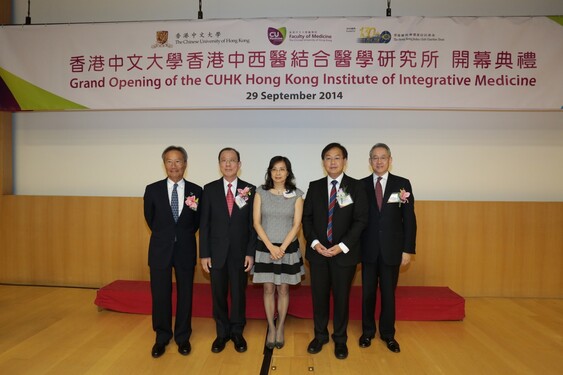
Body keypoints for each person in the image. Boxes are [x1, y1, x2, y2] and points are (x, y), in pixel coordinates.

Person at [302, 142, 368, 360]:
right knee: (319, 298)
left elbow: (360, 220)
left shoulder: (356, 187)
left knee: (341, 299)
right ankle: (320, 336)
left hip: (344, 255)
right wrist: (314, 244)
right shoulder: (315, 186)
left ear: (345, 161)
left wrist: (342, 246)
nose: (332, 162)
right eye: (328, 158)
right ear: (323, 162)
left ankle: (340, 339)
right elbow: (307, 218)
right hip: (318, 254)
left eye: (337, 157)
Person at [143, 145, 202, 358]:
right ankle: (162, 336)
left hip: (185, 249)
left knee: (186, 294)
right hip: (160, 250)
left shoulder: (197, 191)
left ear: (185, 164)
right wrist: (167, 236)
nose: (174, 165)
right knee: (160, 295)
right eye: (169, 161)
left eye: (178, 161)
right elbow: (150, 219)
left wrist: (181, 236)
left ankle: (183, 336)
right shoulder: (152, 189)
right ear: (164, 164)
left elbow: (196, 222)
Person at [359, 143, 417, 353]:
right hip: (368, 250)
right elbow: (357, 220)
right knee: (367, 294)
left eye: (383, 157)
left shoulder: (402, 184)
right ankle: (367, 332)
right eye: (375, 157)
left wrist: (407, 249)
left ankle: (388, 334)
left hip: (392, 250)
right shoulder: (361, 185)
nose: (379, 161)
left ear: (390, 160)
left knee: (388, 294)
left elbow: (409, 219)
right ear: (369, 161)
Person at [199, 147, 257, 354]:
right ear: (219, 164)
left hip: (241, 254)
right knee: (218, 294)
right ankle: (222, 333)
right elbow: (204, 225)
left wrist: (251, 253)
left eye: (232, 160)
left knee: (239, 294)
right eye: (224, 160)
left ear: (239, 165)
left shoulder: (249, 190)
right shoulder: (209, 189)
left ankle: (237, 332)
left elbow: (253, 225)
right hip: (216, 254)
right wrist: (204, 254)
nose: (228, 164)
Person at [252, 156, 305, 350]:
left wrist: (281, 248)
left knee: (283, 289)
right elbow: (256, 222)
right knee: (268, 289)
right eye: (274, 169)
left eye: (282, 169)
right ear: (270, 171)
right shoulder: (260, 192)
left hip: (287, 248)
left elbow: (296, 224)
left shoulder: (297, 194)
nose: (278, 173)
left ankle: (281, 327)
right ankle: (271, 327)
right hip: (265, 247)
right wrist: (270, 247)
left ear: (288, 172)